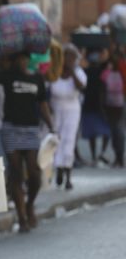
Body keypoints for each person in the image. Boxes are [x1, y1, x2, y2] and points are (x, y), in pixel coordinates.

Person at [0, 52, 55, 232]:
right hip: (11, 128)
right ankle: (21, 215)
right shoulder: (7, 76)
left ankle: (30, 204)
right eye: (18, 58)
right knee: (16, 173)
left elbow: (43, 104)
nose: (22, 61)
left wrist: (52, 126)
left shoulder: (37, 78)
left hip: (30, 129)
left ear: (29, 60)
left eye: (24, 58)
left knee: (34, 174)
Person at [49, 44, 86, 189]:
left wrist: (72, 72)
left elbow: (81, 86)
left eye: (72, 57)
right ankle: (58, 169)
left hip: (72, 109)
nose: (69, 59)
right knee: (57, 139)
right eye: (66, 56)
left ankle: (68, 175)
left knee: (69, 140)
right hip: (56, 108)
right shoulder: (54, 73)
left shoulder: (78, 73)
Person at [80, 47, 111, 167]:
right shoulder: (87, 71)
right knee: (99, 132)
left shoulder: (99, 70)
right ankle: (98, 155)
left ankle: (98, 155)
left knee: (100, 132)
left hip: (95, 105)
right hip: (95, 105)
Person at [103, 53, 125, 168]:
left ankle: (120, 157)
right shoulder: (109, 73)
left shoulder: (120, 73)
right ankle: (118, 157)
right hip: (112, 105)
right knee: (115, 131)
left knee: (118, 131)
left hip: (117, 105)